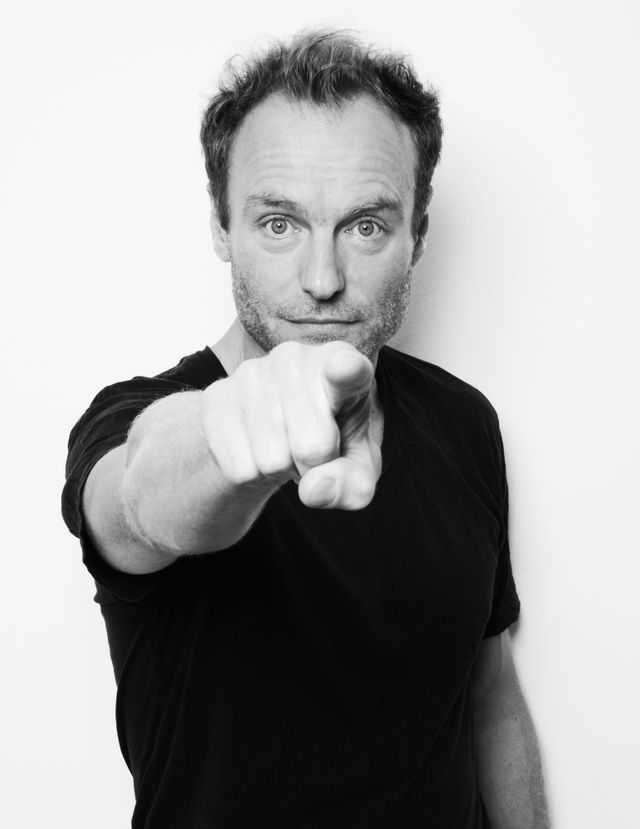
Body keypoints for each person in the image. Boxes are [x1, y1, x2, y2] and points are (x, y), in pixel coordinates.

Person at [62, 30, 550, 829]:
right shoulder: (135, 419)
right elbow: (137, 498)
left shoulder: (466, 422)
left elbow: (489, 691)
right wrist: (229, 440)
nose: (323, 280)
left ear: (418, 234)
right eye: (279, 223)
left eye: (365, 226)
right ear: (221, 225)